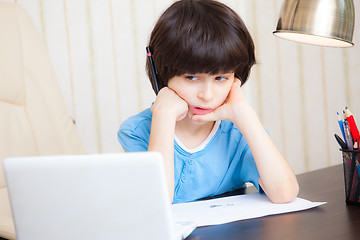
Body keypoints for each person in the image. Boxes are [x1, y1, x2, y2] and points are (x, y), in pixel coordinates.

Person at [117, 0, 299, 204]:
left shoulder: (237, 133)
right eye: (191, 77)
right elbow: (156, 203)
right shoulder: (136, 131)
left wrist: (245, 115)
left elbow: (285, 193)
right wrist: (164, 117)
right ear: (162, 74)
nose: (207, 95)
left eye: (220, 78)